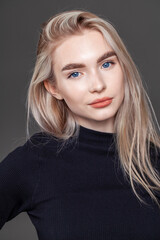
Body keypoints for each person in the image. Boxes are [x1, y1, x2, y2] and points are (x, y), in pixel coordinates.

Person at [0, 9, 160, 240]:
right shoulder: (35, 162)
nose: (97, 85)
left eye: (106, 64)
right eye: (75, 73)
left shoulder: (153, 160)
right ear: (54, 88)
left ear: (123, 67)